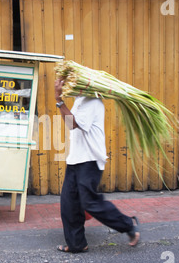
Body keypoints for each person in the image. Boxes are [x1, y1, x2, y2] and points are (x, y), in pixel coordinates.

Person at [54, 78, 140, 253]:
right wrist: (61, 102)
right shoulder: (80, 100)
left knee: (90, 203)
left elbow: (76, 123)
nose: (68, 85)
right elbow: (71, 125)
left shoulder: (92, 101)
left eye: (72, 82)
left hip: (90, 159)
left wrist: (59, 100)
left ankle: (128, 225)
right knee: (69, 204)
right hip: (76, 159)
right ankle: (77, 244)